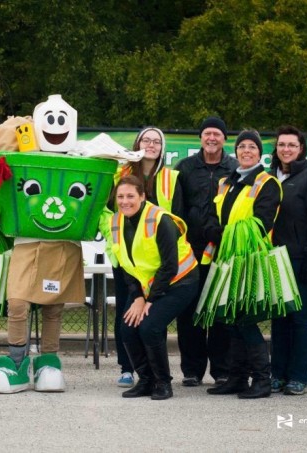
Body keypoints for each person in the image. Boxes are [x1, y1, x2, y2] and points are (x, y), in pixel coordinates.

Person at [205, 129, 281, 399]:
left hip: (250, 258)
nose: (246, 151)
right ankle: (237, 377)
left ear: (260, 153)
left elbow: (262, 222)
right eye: (242, 147)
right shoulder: (226, 181)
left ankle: (262, 379)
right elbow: (215, 213)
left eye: (252, 147)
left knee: (245, 321)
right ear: (235, 151)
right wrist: (214, 229)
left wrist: (225, 233)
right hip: (226, 257)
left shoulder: (267, 182)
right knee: (231, 320)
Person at [110, 174, 198, 400]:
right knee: (128, 328)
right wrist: (138, 297)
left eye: (130, 196)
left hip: (180, 281)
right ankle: (146, 380)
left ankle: (163, 383)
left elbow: (169, 266)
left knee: (150, 327)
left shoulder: (160, 219)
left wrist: (149, 301)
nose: (125, 201)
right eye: (120, 196)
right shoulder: (116, 221)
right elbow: (125, 264)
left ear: (142, 196)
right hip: (147, 286)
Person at [110, 127, 183, 388]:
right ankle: (127, 367)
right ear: (137, 143)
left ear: (162, 147)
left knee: (153, 313)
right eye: (146, 140)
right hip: (129, 259)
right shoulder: (122, 174)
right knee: (127, 310)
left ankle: (155, 370)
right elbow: (110, 211)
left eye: (156, 141)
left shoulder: (172, 177)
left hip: (159, 261)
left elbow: (178, 215)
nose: (151, 145)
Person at [174, 116, 238, 387]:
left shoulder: (235, 168)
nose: (212, 138)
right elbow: (175, 210)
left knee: (221, 312)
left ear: (225, 139)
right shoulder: (185, 168)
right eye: (207, 133)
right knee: (189, 312)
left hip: (223, 252)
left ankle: (222, 370)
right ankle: (191, 370)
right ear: (200, 138)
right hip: (191, 252)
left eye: (217, 134)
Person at [268, 126, 307, 396]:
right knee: (279, 318)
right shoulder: (269, 177)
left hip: (302, 258)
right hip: (274, 259)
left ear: (301, 149)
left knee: (300, 318)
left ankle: (298, 377)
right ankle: (277, 373)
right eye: (282, 144)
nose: (286, 149)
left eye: (292, 145)